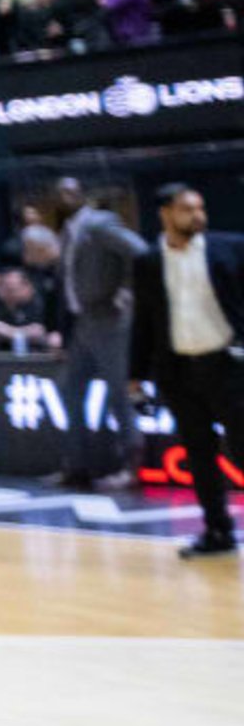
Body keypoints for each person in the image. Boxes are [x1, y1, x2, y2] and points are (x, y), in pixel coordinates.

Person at [132, 183, 244, 559]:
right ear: (166, 214)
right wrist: (136, 374)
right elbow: (144, 321)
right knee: (199, 455)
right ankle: (218, 531)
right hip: (179, 370)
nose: (198, 216)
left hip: (228, 365)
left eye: (201, 208)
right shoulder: (148, 262)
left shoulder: (230, 248)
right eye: (187, 209)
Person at [57, 177, 150, 489]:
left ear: (83, 193)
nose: (63, 195)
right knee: (69, 390)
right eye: (59, 191)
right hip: (84, 321)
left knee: (119, 394)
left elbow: (140, 252)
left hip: (109, 319)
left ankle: (132, 467)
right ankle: (78, 466)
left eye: (70, 189)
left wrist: (125, 289)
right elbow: (68, 283)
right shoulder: (69, 231)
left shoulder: (99, 223)